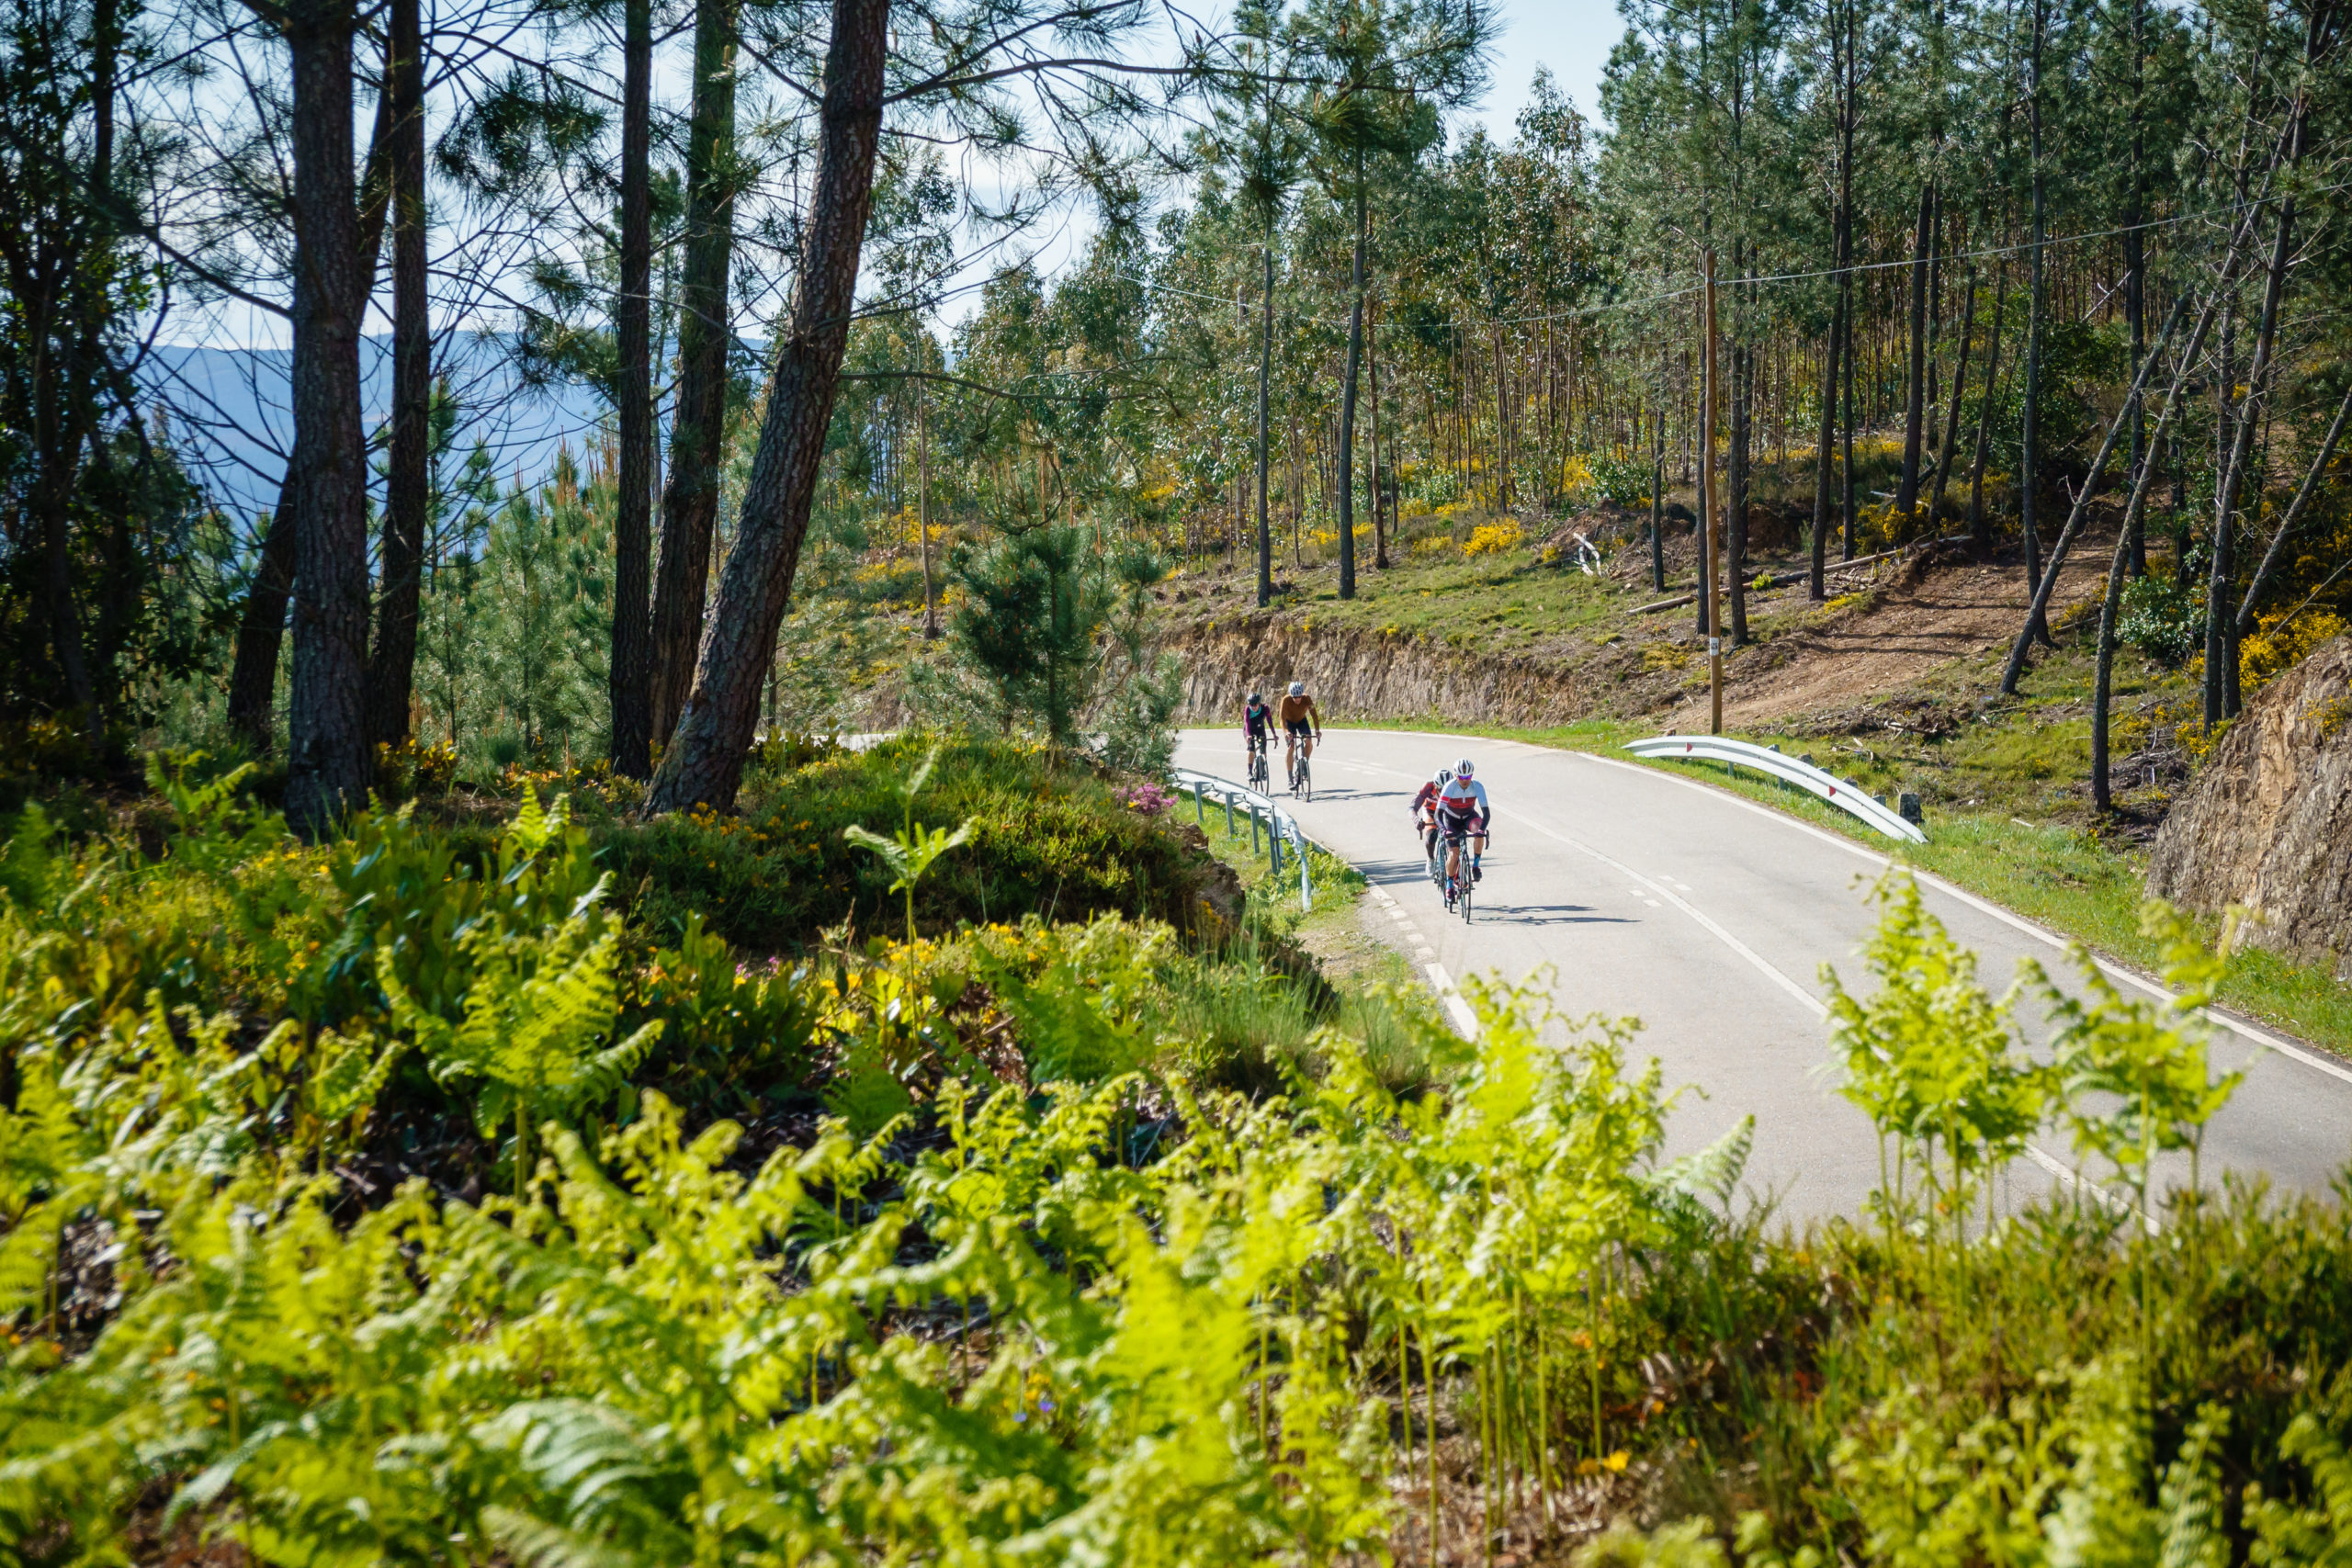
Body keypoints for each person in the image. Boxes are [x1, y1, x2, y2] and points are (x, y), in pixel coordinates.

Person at [1430, 758, 1490, 889]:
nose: (1465, 780)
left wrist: (1482, 830)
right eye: (1461, 777)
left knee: (1479, 830)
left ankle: (1475, 866)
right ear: (1456, 776)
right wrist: (1444, 830)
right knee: (1454, 853)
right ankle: (1450, 885)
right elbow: (1438, 814)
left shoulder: (1477, 786)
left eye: (1468, 776)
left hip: (1469, 816)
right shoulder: (1449, 787)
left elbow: (1486, 814)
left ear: (1472, 775)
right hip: (1451, 820)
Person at [1278, 681, 1320, 786]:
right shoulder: (1286, 700)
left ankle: (1304, 764)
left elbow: (1314, 715)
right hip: (1289, 723)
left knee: (1309, 742)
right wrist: (1286, 732)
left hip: (1302, 721)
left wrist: (1317, 730)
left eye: (1299, 697)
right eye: (1295, 697)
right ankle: (1290, 778)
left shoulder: (1307, 698)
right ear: (1291, 695)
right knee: (1291, 747)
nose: (1297, 699)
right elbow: (1282, 720)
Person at [1409, 768, 1453, 870]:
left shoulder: (1455, 787)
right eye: (1440, 789)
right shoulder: (1428, 787)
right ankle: (1431, 859)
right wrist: (1416, 820)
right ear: (1435, 785)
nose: (1443, 792)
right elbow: (1412, 808)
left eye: (1446, 789)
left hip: (1447, 812)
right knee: (1431, 836)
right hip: (1430, 811)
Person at [1241, 691, 1273, 778]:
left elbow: (1270, 721)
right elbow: (1247, 723)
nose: (1254, 707)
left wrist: (1274, 734)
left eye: (1255, 705)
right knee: (1251, 749)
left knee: (1263, 749)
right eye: (1252, 705)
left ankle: (1263, 768)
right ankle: (1249, 772)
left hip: (1260, 729)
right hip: (1249, 730)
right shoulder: (1248, 709)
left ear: (1259, 703)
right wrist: (1248, 735)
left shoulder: (1265, 708)